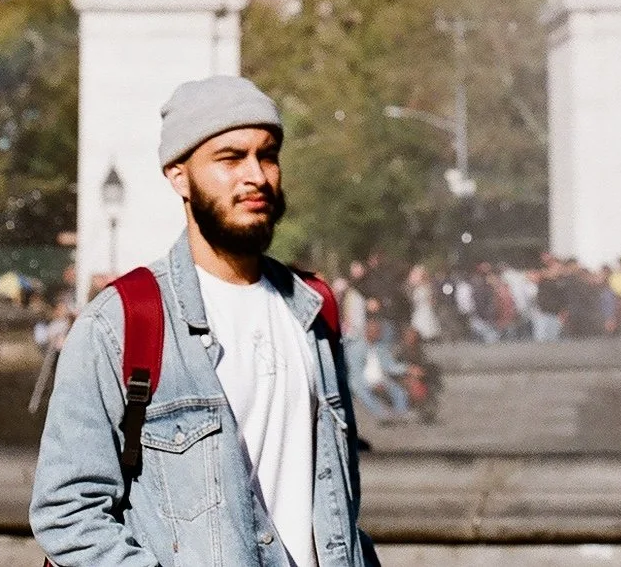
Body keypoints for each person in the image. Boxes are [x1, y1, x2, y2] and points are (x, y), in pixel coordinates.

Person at [30, 75, 378, 567]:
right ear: (178, 176)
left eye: (268, 154)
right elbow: (66, 513)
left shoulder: (313, 310)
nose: (256, 175)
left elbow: (338, 500)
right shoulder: (121, 322)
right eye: (230, 158)